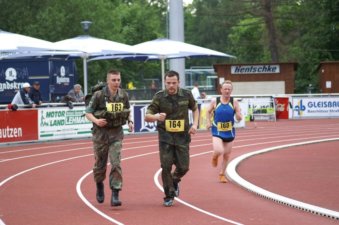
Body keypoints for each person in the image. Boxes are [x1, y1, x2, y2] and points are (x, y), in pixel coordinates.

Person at [145, 70, 199, 207]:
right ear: (165, 83)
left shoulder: (186, 94)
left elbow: (195, 109)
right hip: (165, 138)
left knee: (184, 167)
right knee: (166, 166)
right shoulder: (159, 97)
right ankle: (169, 195)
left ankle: (174, 180)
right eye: (168, 83)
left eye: (174, 83)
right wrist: (156, 117)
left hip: (182, 137)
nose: (171, 86)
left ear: (179, 82)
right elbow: (147, 116)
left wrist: (195, 124)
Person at [85, 69, 134, 207]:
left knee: (116, 163)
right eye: (113, 80)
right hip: (100, 134)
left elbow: (128, 111)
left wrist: (130, 122)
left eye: (118, 80)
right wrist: (96, 121)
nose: (116, 82)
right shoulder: (99, 95)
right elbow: (88, 113)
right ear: (108, 81)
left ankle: (115, 193)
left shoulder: (124, 95)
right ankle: (99, 184)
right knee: (100, 165)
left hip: (116, 134)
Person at [206, 80, 242, 183]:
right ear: (221, 90)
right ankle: (215, 156)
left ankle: (222, 174)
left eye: (229, 89)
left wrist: (239, 117)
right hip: (217, 130)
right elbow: (208, 112)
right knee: (219, 150)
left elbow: (239, 116)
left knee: (226, 155)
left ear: (231, 91)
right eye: (225, 89)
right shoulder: (215, 101)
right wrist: (208, 122)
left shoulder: (234, 102)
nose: (227, 91)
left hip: (229, 131)